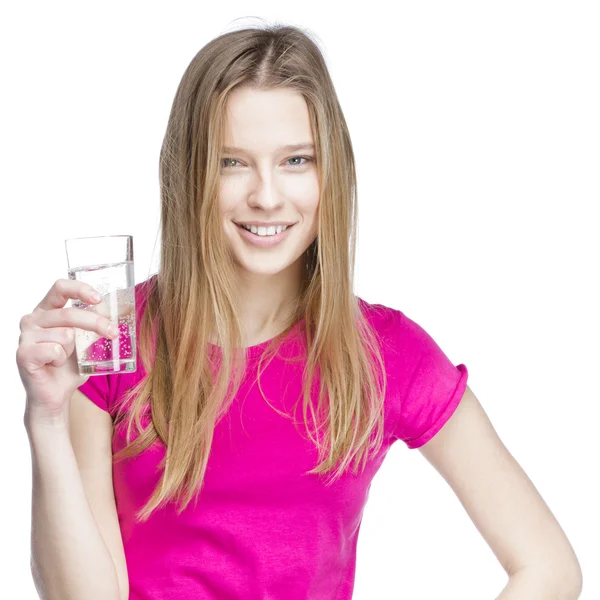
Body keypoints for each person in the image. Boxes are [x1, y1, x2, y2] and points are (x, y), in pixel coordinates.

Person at [17, 22, 583, 600]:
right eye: (231, 163)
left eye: (296, 160)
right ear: (188, 174)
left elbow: (547, 567)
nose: (267, 195)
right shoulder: (114, 339)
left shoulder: (387, 355)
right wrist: (47, 418)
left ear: (330, 172)